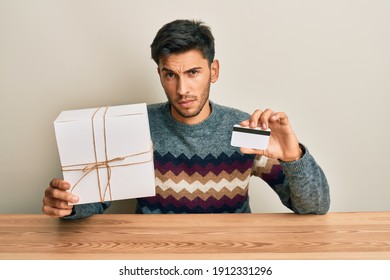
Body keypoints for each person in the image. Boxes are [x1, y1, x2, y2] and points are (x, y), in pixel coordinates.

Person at [42, 19, 330, 219]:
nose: (182, 90)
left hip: (229, 260)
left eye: (193, 72)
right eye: (171, 74)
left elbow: (314, 207)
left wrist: (294, 157)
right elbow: (94, 201)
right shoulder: (135, 126)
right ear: (160, 74)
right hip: (151, 260)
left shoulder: (244, 129)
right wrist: (68, 205)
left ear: (213, 71)